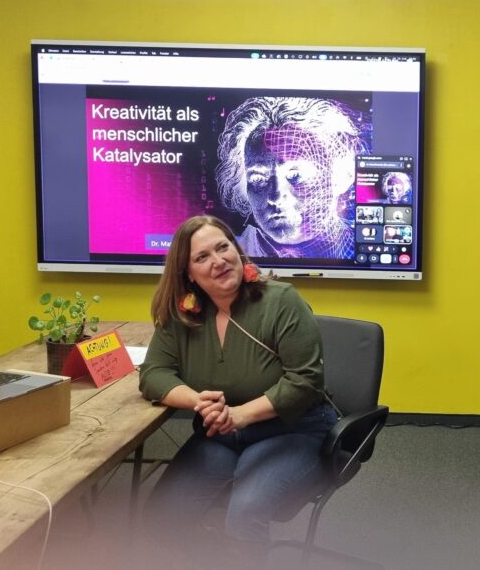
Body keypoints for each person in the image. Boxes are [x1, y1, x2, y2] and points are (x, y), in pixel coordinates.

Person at [138, 215, 336, 565]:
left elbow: (306, 381)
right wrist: (198, 401)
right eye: (202, 257)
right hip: (221, 433)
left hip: (291, 429)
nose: (218, 261)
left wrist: (240, 415)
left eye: (223, 247)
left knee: (244, 514)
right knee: (162, 516)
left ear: (237, 249)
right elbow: (153, 374)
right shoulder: (183, 315)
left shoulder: (281, 301)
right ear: (187, 273)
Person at [216, 96, 367, 260]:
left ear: (343, 177)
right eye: (258, 179)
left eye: (295, 175)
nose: (275, 197)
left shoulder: (362, 247)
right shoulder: (230, 259)